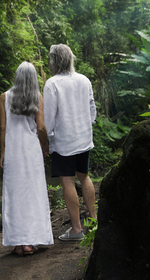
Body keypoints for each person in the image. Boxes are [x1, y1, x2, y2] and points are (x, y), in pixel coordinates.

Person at [43, 44, 97, 241]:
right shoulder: (84, 80)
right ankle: (94, 220)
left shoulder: (52, 83)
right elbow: (92, 109)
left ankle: (76, 230)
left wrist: (46, 140)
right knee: (85, 177)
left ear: (55, 60)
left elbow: (48, 118)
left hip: (64, 141)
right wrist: (85, 126)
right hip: (83, 138)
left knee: (67, 181)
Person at [0, 61, 54, 256]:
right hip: (31, 152)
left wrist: (2, 151)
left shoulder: (4, 97)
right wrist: (45, 147)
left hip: (13, 151)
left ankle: (18, 243)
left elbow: (3, 129)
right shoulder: (37, 98)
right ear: (32, 79)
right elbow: (40, 128)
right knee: (33, 195)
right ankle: (30, 242)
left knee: (14, 196)